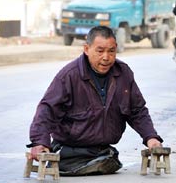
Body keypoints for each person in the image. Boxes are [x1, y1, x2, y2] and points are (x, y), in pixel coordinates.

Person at [26, 26, 163, 176]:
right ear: (86, 49)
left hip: (102, 150)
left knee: (107, 161)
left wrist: (151, 137)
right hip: (70, 150)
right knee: (95, 163)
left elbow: (137, 110)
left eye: (111, 51)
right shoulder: (69, 75)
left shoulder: (123, 73)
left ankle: (98, 161)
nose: (106, 57)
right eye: (100, 51)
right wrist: (40, 142)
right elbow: (48, 109)